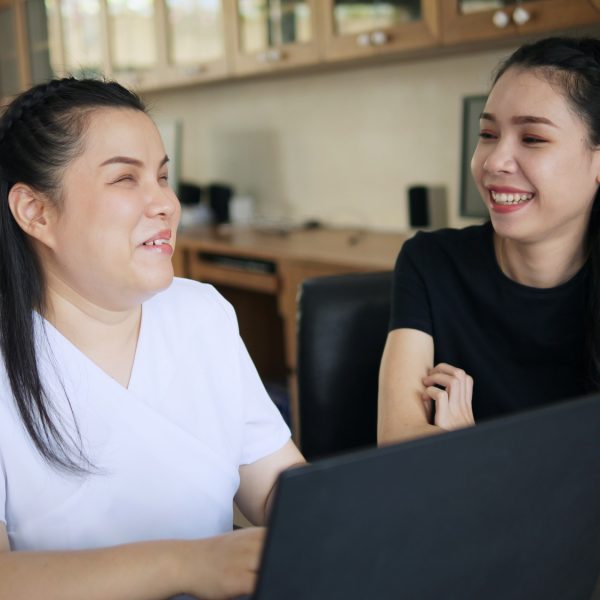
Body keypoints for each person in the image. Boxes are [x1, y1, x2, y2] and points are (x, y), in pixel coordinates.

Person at [0, 77, 304, 599]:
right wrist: (189, 565)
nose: (165, 203)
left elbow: (278, 487)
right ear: (35, 211)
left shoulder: (201, 314)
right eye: (124, 179)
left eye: (163, 177)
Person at [378, 36, 600, 444]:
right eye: (487, 133)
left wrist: (469, 444)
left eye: (532, 139)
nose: (494, 161)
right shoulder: (429, 261)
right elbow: (397, 445)